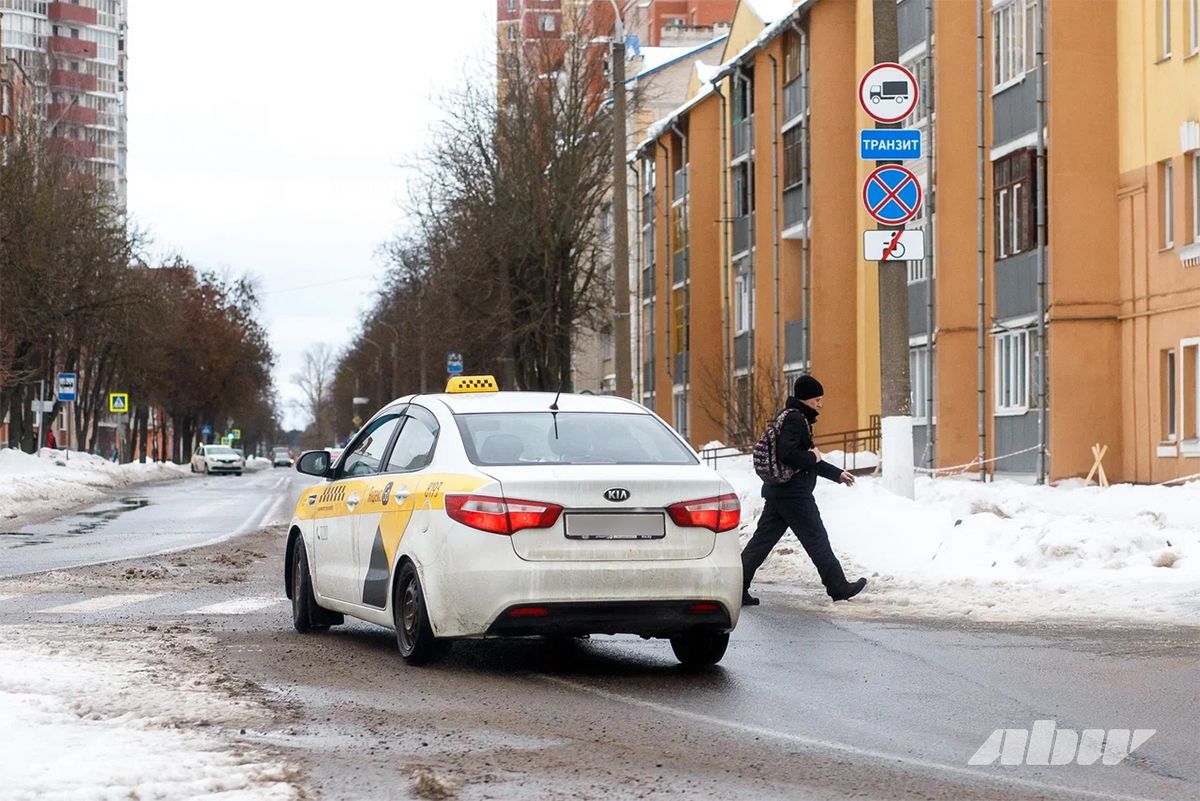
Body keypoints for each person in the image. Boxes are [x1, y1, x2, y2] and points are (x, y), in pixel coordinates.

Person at [741, 375, 867, 606]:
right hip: (793, 495)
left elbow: (805, 458)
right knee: (817, 539)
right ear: (807, 399)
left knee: (761, 543)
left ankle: (736, 587)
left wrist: (836, 474)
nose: (821, 404)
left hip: (780, 492)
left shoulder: (790, 417)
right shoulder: (795, 420)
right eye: (817, 399)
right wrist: (811, 456)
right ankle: (838, 587)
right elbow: (789, 454)